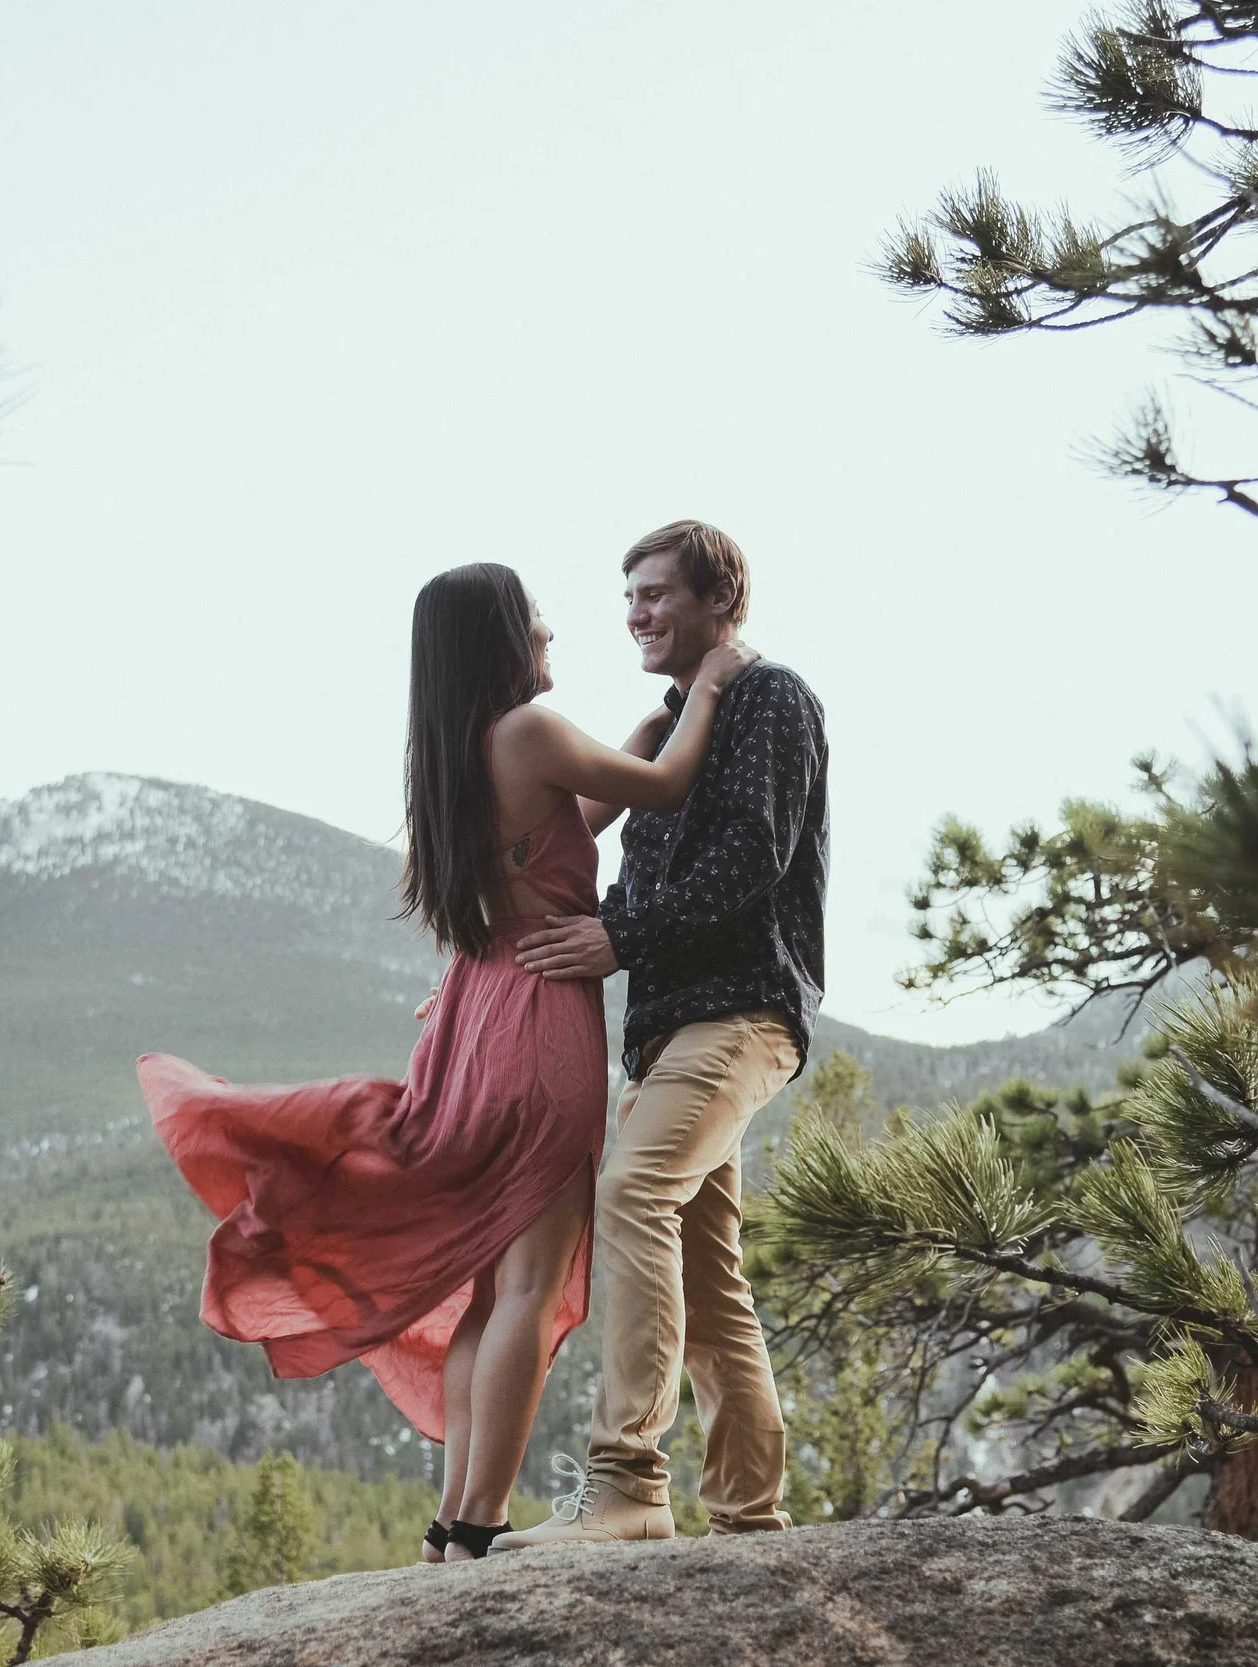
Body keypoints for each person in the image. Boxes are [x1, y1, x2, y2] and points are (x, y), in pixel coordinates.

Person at [136, 561, 756, 1564]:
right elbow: (667, 787)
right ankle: (477, 1521)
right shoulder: (533, 733)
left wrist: (640, 729)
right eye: (535, 617)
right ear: (501, 638)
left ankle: (452, 1521)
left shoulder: (458, 752)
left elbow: (569, 831)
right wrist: (716, 683)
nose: (552, 630)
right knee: (527, 1280)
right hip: (540, 1015)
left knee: (488, 1288)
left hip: (477, 1012)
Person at [498, 519, 828, 1547]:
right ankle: (748, 1517)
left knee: (631, 1189)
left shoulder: (770, 698)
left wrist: (617, 936)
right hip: (669, 1033)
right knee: (703, 1262)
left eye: (654, 593)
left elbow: (750, 858)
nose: (635, 612)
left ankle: (627, 1481)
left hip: (739, 1012)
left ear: (717, 598)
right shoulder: (673, 719)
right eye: (627, 596)